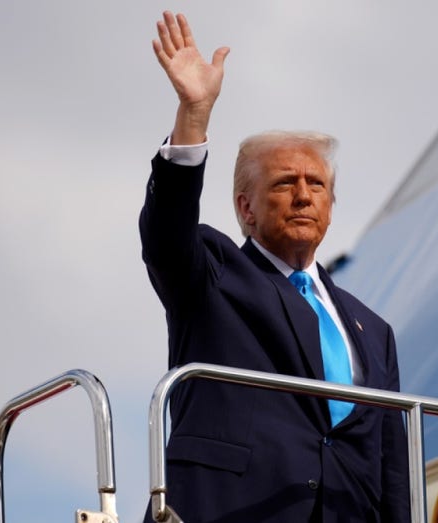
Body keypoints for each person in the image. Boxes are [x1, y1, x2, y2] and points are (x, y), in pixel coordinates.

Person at [139, 11, 409, 523]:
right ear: (246, 208)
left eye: (317, 184)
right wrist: (194, 115)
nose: (304, 195)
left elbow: (392, 468)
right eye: (285, 183)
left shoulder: (375, 331)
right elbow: (165, 235)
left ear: (331, 205)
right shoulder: (212, 274)